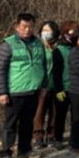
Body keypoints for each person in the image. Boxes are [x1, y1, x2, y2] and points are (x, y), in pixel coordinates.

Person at [0, 13, 47, 158]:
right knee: (10, 124)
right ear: (17, 27)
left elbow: (42, 66)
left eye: (30, 26)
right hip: (14, 91)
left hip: (33, 90)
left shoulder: (38, 44)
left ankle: (25, 149)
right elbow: (0, 70)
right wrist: (2, 92)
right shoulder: (8, 44)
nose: (27, 29)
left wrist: (43, 85)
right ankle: (6, 152)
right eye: (24, 26)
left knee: (27, 122)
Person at [32, 21, 60, 149]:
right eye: (44, 30)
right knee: (40, 112)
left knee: (54, 112)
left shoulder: (57, 46)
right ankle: (38, 137)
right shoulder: (37, 46)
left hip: (54, 84)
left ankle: (51, 136)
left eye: (49, 30)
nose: (46, 33)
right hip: (41, 84)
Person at [52, 21, 77, 150]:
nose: (72, 35)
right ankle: (58, 138)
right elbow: (56, 72)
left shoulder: (77, 47)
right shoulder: (58, 50)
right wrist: (58, 89)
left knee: (76, 115)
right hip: (63, 88)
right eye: (70, 32)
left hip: (76, 88)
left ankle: (75, 137)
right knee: (60, 115)